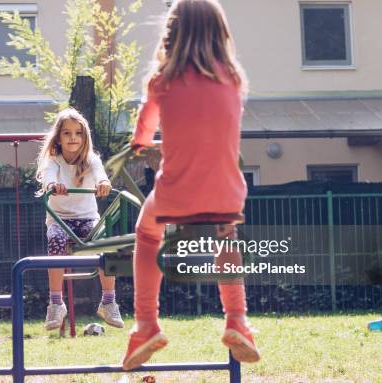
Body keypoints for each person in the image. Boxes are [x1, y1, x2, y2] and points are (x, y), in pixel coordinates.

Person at [121, 0, 260, 370]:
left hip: (176, 192)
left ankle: (147, 323)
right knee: (225, 236)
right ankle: (238, 321)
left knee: (147, 233)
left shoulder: (161, 80)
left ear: (173, 32)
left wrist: (141, 141)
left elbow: (145, 128)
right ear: (220, 34)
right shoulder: (233, 79)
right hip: (227, 191)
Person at [36, 107, 124, 331]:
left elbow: (101, 175)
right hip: (60, 220)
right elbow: (48, 178)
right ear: (59, 137)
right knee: (55, 240)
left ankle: (109, 301)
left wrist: (103, 184)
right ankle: (56, 303)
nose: (73, 138)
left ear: (85, 136)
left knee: (106, 244)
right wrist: (53, 186)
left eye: (78, 133)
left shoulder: (91, 159)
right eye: (67, 133)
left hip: (86, 218)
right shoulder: (54, 161)